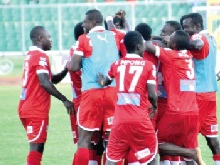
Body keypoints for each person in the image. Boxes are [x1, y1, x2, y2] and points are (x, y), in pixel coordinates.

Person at [70, 9, 124, 165]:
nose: (83, 24)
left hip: (91, 93)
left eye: (85, 21)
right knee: (113, 140)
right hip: (113, 91)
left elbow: (73, 66)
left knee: (84, 140)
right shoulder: (116, 36)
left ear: (92, 22)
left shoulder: (84, 38)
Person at [97, 31, 158, 165]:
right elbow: (152, 94)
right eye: (143, 45)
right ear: (138, 47)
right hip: (140, 120)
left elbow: (105, 82)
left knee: (111, 159)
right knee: (152, 156)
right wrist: (155, 106)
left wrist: (101, 81)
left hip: (120, 121)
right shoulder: (148, 66)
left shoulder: (116, 65)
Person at [145, 30, 204, 165]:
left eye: (170, 38)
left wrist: (158, 38)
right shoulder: (188, 55)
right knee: (188, 148)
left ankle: (191, 153)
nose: (167, 39)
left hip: (177, 111)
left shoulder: (170, 56)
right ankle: (191, 153)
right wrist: (170, 40)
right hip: (193, 111)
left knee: (154, 144)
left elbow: (147, 45)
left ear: (174, 43)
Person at [18, 26, 74, 165]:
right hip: (35, 108)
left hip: (26, 106)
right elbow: (45, 83)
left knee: (36, 147)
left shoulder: (31, 55)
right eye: (48, 37)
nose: (51, 40)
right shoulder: (40, 56)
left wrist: (65, 70)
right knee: (36, 148)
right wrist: (64, 100)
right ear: (40, 38)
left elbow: (51, 79)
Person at [181, 13, 220, 165]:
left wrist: (178, 41)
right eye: (183, 27)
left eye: (187, 27)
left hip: (197, 95)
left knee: (187, 140)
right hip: (210, 94)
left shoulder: (199, 38)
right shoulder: (211, 38)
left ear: (198, 26)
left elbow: (197, 45)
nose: (185, 30)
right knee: (213, 140)